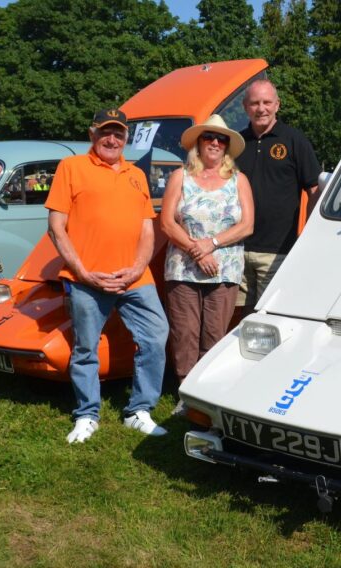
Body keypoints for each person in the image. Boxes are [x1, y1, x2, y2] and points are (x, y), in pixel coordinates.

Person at [46, 108, 169, 443]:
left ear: (126, 138)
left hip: (135, 278)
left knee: (156, 337)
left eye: (119, 133)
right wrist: (84, 274)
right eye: (105, 132)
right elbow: (56, 227)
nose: (112, 139)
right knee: (86, 348)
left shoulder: (137, 174)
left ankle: (139, 410)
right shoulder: (71, 167)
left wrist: (137, 268)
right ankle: (87, 415)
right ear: (92, 134)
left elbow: (148, 230)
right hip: (88, 280)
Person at [161, 115, 254, 414]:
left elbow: (247, 225)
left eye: (221, 139)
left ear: (227, 146)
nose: (214, 143)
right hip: (183, 268)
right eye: (208, 137)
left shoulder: (239, 180)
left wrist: (211, 244)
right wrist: (196, 250)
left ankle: (209, 393)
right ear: (198, 143)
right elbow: (166, 223)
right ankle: (186, 395)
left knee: (215, 334)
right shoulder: (180, 177)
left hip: (224, 270)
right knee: (185, 332)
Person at [236, 79, 321, 313]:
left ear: (277, 105)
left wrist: (309, 233)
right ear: (245, 106)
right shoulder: (237, 143)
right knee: (233, 317)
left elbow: (314, 189)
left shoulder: (295, 141)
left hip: (277, 250)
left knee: (266, 316)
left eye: (266, 102)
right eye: (254, 103)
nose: (260, 108)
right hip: (236, 248)